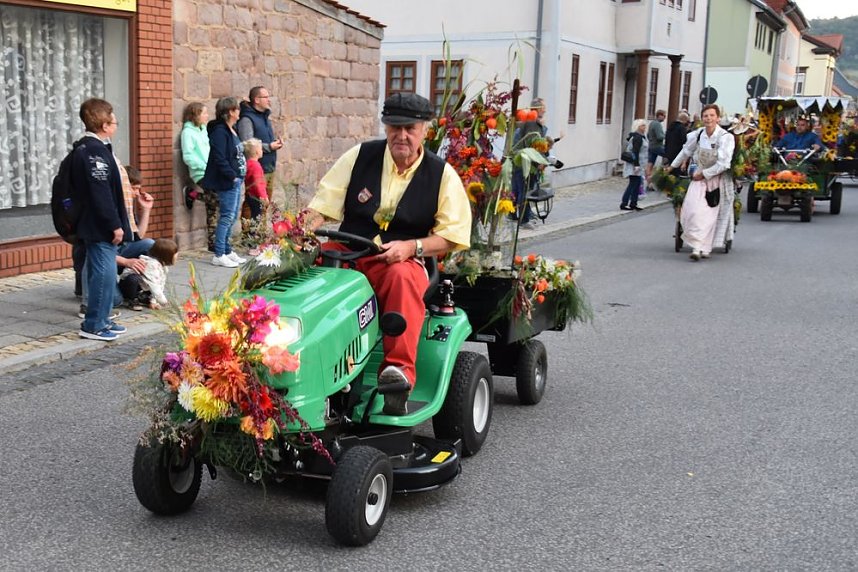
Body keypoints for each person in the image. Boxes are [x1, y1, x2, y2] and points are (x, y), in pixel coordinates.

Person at [304, 92, 471, 415]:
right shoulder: (359, 156)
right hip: (352, 250)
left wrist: (412, 247)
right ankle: (298, 357)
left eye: (410, 128)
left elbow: (453, 236)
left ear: (425, 129)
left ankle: (397, 376)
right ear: (385, 126)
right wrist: (296, 235)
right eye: (394, 127)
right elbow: (321, 208)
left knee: (402, 278)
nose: (402, 135)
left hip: (403, 258)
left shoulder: (441, 174)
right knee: (306, 266)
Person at [73, 98, 131, 341]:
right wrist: (115, 225)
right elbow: (101, 193)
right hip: (99, 226)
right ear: (105, 124)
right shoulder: (94, 152)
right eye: (115, 121)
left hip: (98, 224)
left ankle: (103, 319)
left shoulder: (95, 149)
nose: (116, 125)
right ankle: (93, 324)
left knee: (106, 274)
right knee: (103, 274)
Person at [667, 103, 736, 261]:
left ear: (717, 118)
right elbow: (686, 151)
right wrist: (671, 167)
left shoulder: (725, 138)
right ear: (702, 118)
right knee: (691, 210)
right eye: (706, 116)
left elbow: (724, 163)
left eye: (712, 115)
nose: (708, 118)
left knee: (708, 215)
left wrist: (705, 174)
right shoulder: (698, 134)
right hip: (698, 178)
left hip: (716, 180)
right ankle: (701, 246)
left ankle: (699, 247)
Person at [200, 96, 247, 268]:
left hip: (235, 179)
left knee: (233, 216)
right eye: (237, 109)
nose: (239, 112)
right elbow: (219, 157)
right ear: (230, 112)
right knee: (226, 217)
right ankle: (219, 253)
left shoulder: (231, 129)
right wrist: (231, 175)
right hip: (227, 180)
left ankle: (227, 250)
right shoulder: (220, 131)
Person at [180, 103, 218, 251]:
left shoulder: (203, 130)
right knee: (217, 199)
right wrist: (205, 166)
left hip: (211, 172)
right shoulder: (187, 133)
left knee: (212, 206)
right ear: (195, 115)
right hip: (201, 173)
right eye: (204, 113)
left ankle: (212, 242)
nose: (207, 116)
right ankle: (192, 193)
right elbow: (188, 156)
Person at [511, 98, 552, 227]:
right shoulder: (532, 123)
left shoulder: (532, 122)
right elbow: (533, 145)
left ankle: (519, 215)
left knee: (520, 190)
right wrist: (539, 161)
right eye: (543, 107)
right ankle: (523, 220)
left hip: (523, 161)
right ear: (538, 109)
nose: (545, 110)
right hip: (525, 163)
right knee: (525, 191)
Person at [237, 86, 283, 188]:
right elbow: (247, 144)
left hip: (269, 166)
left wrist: (275, 143)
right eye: (265, 97)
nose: (268, 100)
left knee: (265, 201)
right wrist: (269, 146)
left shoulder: (264, 116)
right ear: (257, 100)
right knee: (255, 201)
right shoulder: (246, 119)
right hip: (256, 168)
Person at [119, 238, 178, 311]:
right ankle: (132, 299)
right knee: (133, 278)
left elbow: (160, 283)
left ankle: (142, 297)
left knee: (150, 282)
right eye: (175, 254)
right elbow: (154, 286)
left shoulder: (163, 267)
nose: (177, 256)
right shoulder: (151, 265)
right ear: (166, 256)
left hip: (142, 284)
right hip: (126, 285)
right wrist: (164, 302)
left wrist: (153, 301)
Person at [620, 119, 648, 211]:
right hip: (635, 164)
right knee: (633, 184)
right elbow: (635, 151)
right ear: (638, 127)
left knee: (637, 184)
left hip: (640, 164)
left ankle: (633, 203)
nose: (645, 127)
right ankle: (624, 203)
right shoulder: (637, 138)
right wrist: (636, 165)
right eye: (643, 125)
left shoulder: (642, 137)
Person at [242, 138, 269, 220]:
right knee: (257, 217)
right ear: (257, 152)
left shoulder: (248, 163)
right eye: (261, 149)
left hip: (250, 194)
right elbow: (258, 184)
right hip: (256, 197)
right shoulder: (256, 166)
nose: (262, 151)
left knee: (253, 216)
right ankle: (253, 232)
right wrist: (264, 197)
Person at [646, 109, 666, 178]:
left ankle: (648, 180)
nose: (665, 117)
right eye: (664, 115)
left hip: (651, 146)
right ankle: (664, 172)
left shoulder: (652, 123)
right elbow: (659, 137)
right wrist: (665, 135)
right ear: (659, 115)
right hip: (658, 146)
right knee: (669, 155)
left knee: (650, 163)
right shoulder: (657, 124)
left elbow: (648, 135)